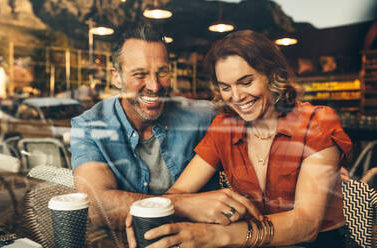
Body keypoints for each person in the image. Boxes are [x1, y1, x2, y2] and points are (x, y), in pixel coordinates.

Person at [126, 30, 353, 247]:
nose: (236, 97)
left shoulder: (316, 122)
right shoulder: (225, 128)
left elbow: (306, 225)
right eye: (226, 87)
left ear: (273, 76)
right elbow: (178, 192)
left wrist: (214, 235)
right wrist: (150, 210)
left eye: (246, 82)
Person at [69, 25, 218, 228]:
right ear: (116, 77)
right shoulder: (89, 126)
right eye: (140, 74)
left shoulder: (204, 117)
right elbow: (97, 208)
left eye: (162, 72)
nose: (155, 86)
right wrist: (186, 205)